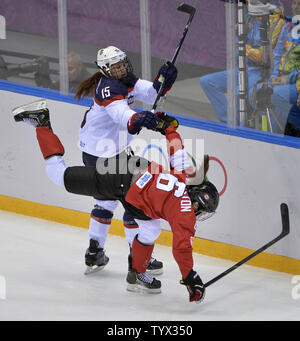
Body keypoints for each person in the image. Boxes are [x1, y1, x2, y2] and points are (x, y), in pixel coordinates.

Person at [13, 100, 219, 303]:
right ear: (196, 203)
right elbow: (181, 249)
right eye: (202, 211)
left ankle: (136, 273)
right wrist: (191, 278)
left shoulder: (182, 177)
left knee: (151, 229)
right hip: (123, 183)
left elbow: (178, 149)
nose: (199, 215)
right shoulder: (186, 215)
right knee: (58, 175)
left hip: (132, 169)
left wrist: (167, 128)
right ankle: (41, 123)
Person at [73, 46, 178, 275]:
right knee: (134, 202)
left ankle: (94, 252)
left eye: (122, 63)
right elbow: (123, 117)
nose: (121, 68)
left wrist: (162, 82)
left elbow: (151, 94)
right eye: (116, 66)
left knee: (106, 202)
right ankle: (137, 258)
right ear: (105, 70)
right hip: (104, 154)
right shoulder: (109, 88)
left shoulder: (125, 79)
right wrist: (141, 118)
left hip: (101, 151)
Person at [200, 2, 285, 123]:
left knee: (239, 91)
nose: (248, 3)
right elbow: (236, 43)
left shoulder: (276, 21)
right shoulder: (247, 17)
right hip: (243, 67)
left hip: (261, 71)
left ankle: (239, 127)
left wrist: (243, 47)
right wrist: (243, 47)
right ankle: (228, 121)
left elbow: (262, 56)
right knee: (207, 82)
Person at [265, 0, 300, 133]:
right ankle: (274, 136)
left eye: (299, 4)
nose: (296, 7)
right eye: (294, 3)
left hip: (294, 81)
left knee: (276, 95)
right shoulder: (287, 26)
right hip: (283, 77)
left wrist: (286, 79)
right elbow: (278, 54)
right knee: (262, 92)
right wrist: (274, 77)